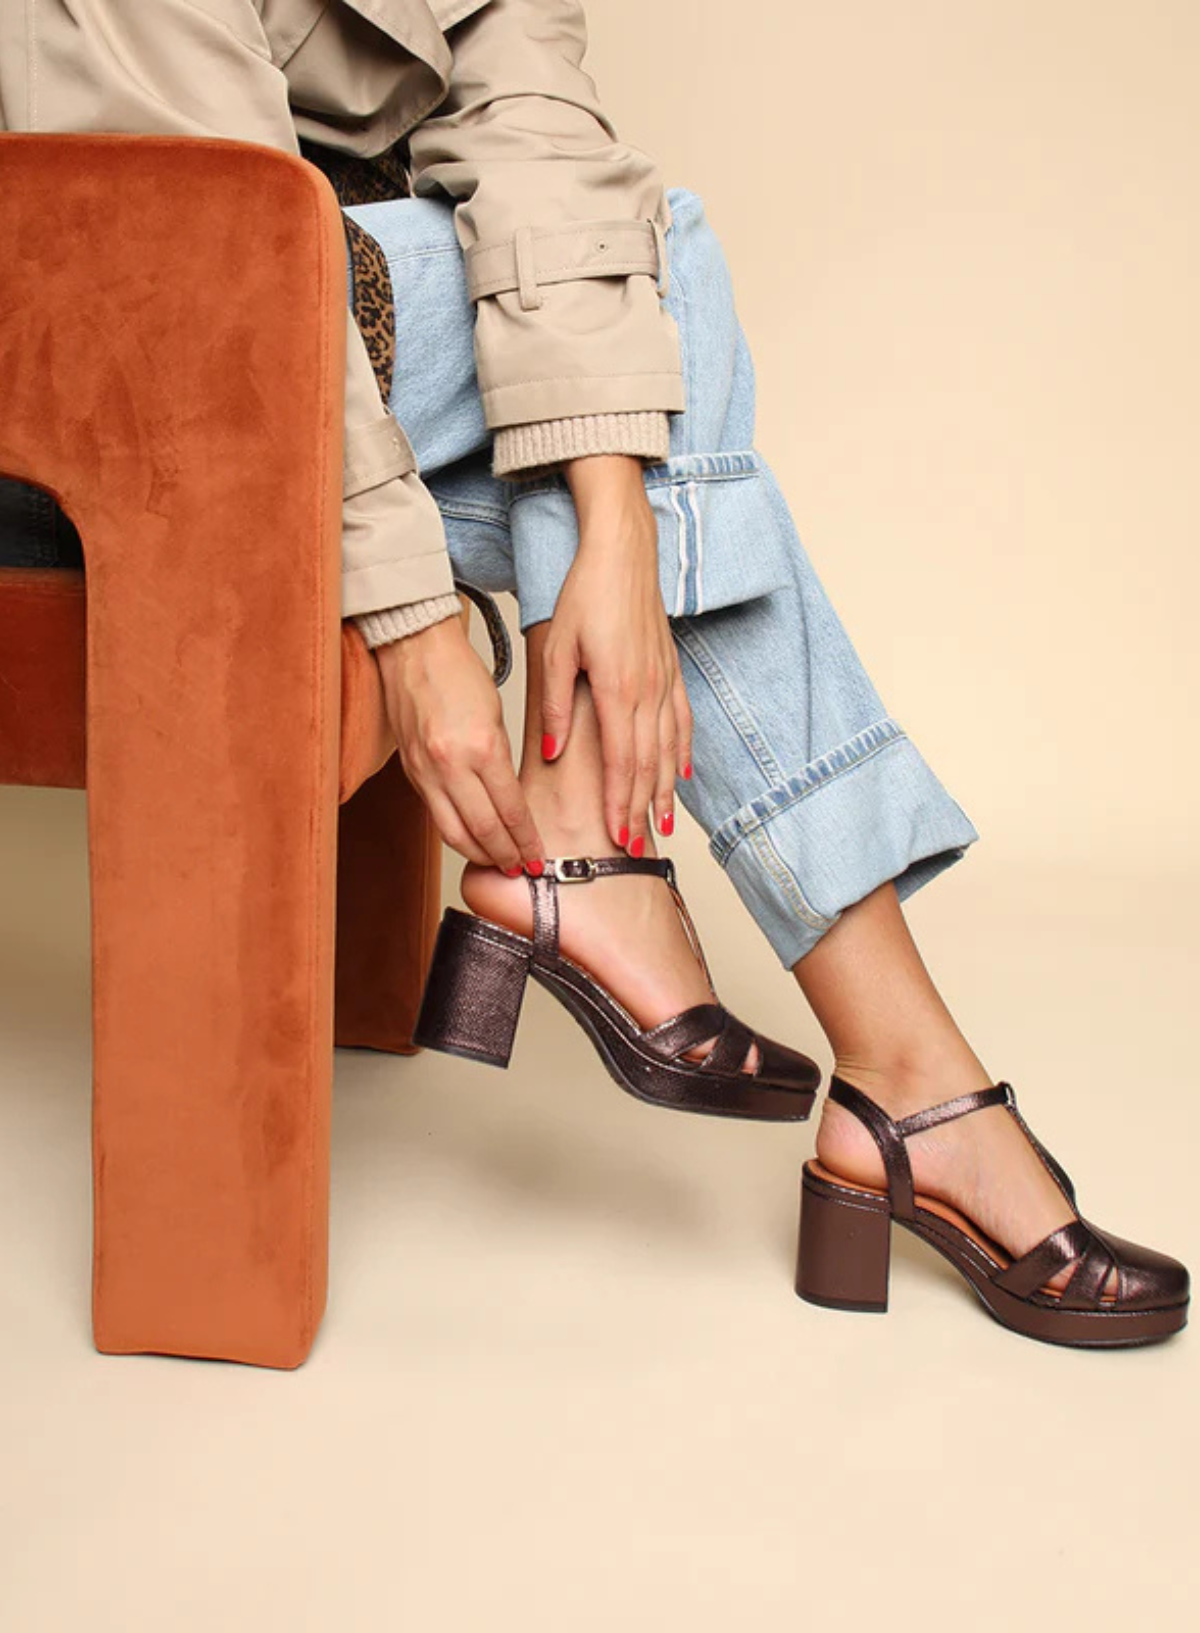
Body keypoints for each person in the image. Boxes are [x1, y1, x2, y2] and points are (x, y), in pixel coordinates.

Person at [0, 0, 1187, 1347]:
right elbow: (186, 257)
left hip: (328, 364)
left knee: (647, 369)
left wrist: (612, 528)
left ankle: (638, 890)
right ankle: (903, 1090)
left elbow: (540, 142)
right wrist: (412, 626)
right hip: (85, 390)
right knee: (663, 257)